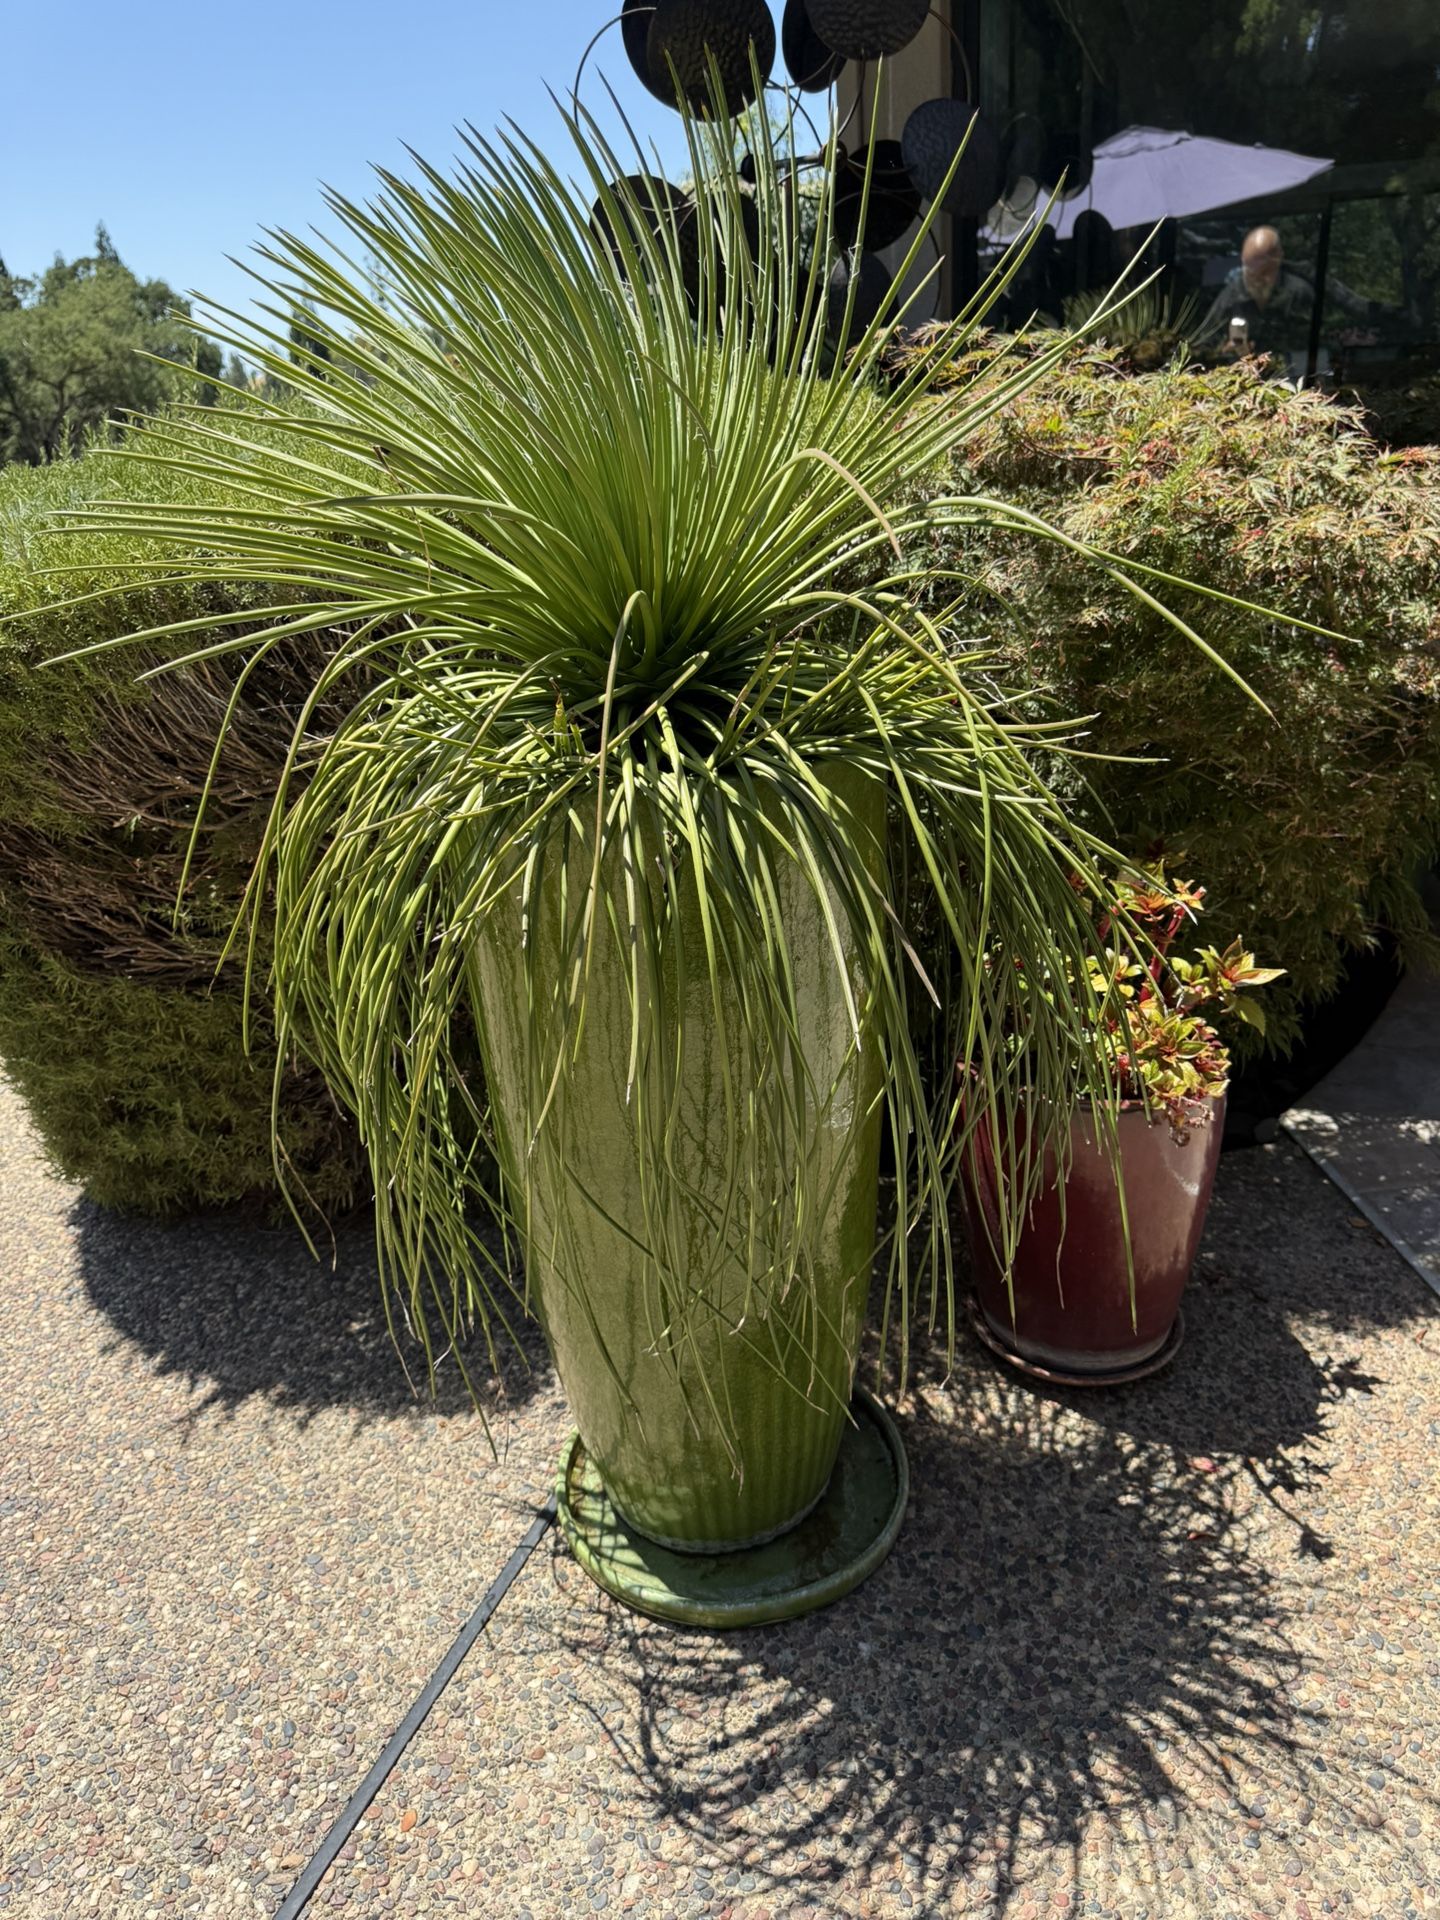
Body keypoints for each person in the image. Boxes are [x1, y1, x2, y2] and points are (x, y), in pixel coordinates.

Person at [1196, 225, 1379, 366]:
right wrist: (1224, 351)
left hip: (1298, 379)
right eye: (1249, 270)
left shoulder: (1299, 293)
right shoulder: (1232, 295)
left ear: (1278, 260)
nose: (1256, 278)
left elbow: (1321, 343)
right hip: (1246, 383)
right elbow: (1204, 342)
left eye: (1263, 271)